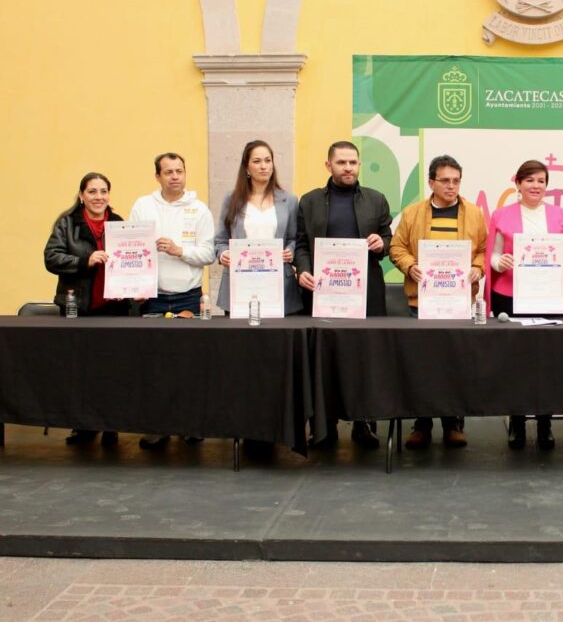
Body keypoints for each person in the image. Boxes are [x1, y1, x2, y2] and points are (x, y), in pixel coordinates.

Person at [295, 140, 392, 450]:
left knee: (366, 356)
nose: (348, 168)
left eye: (353, 162)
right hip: (323, 290)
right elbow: (300, 244)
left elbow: (388, 237)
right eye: (341, 163)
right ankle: (324, 425)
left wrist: (382, 244)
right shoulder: (309, 201)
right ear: (329, 166)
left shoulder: (376, 200)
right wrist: (303, 269)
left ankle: (365, 423)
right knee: (323, 356)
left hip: (366, 293)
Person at [389, 155, 487, 450]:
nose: (451, 186)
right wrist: (409, 266)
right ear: (430, 182)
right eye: (445, 181)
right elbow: (396, 247)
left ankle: (453, 422)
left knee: (454, 363)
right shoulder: (412, 213)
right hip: (421, 301)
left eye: (456, 181)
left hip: (459, 301)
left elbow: (482, 250)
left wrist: (478, 268)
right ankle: (421, 423)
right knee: (422, 365)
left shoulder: (474, 213)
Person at [486, 159, 563, 450]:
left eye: (540, 181)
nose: (535, 186)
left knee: (549, 361)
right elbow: (493, 256)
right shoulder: (501, 215)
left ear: (546, 185)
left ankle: (544, 421)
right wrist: (499, 262)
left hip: (553, 295)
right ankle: (516, 420)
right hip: (512, 295)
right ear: (518, 184)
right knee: (516, 359)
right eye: (529, 180)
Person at [130, 152, 215, 451]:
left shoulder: (200, 210)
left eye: (180, 170)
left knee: (189, 366)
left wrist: (181, 251)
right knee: (154, 366)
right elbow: (131, 248)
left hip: (187, 298)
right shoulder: (143, 206)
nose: (175, 176)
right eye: (168, 172)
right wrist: (136, 284)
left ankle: (191, 426)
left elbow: (209, 254)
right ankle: (157, 428)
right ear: (158, 177)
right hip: (152, 300)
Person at [44, 172, 129, 447]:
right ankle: (84, 427)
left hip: (113, 308)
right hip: (78, 307)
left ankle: (110, 426)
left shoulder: (119, 224)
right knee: (80, 371)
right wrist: (85, 259)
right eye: (92, 191)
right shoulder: (67, 223)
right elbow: (51, 257)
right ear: (81, 195)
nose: (98, 197)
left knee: (111, 371)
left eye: (103, 191)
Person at [214, 140, 302, 317]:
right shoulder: (231, 199)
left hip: (278, 285)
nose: (263, 166)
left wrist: (290, 251)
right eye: (257, 161)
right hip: (240, 283)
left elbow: (294, 239)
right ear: (246, 168)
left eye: (268, 161)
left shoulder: (289, 201)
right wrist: (224, 254)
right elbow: (221, 240)